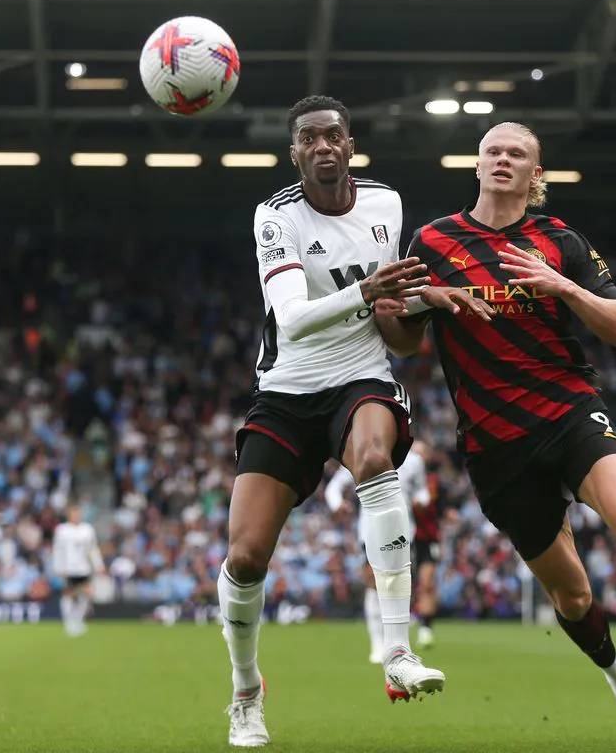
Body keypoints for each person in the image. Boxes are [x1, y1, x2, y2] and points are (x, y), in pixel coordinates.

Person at [376, 121, 616, 736]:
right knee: (573, 598)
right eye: (492, 152)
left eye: (516, 154)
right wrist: (418, 303)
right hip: (496, 445)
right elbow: (402, 342)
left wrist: (564, 286)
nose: (502, 160)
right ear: (476, 167)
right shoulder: (432, 241)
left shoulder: (559, 240)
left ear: (536, 175)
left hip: (568, 411)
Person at [221, 95, 491, 748]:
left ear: (350, 143)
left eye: (332, 136)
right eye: (308, 138)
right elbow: (291, 316)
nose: (322, 147)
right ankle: (246, 693)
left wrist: (426, 299)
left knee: (374, 458)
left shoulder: (385, 204)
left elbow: (395, 329)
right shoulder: (275, 216)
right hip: (286, 391)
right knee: (245, 555)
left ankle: (398, 654)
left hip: (360, 379)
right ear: (295, 152)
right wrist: (366, 293)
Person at [325, 441, 431, 663]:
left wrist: (422, 500)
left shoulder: (413, 461)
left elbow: (422, 490)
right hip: (370, 529)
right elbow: (333, 487)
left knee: (397, 583)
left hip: (405, 529)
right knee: (374, 583)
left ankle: (399, 645)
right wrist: (337, 504)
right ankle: (377, 644)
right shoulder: (360, 452)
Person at [52, 503, 106, 637]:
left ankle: (78, 620)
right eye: (73, 513)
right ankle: (68, 621)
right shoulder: (62, 530)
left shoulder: (87, 529)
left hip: (84, 568)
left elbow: (93, 549)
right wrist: (58, 567)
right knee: (69, 595)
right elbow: (58, 550)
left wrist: (98, 565)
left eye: (78, 513)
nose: (76, 516)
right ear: (69, 515)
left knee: (85, 594)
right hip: (69, 568)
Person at [407, 441, 441, 649]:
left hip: (427, 538)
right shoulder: (401, 477)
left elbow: (438, 507)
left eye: (421, 453)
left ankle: (426, 628)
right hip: (406, 535)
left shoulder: (432, 482)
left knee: (426, 582)